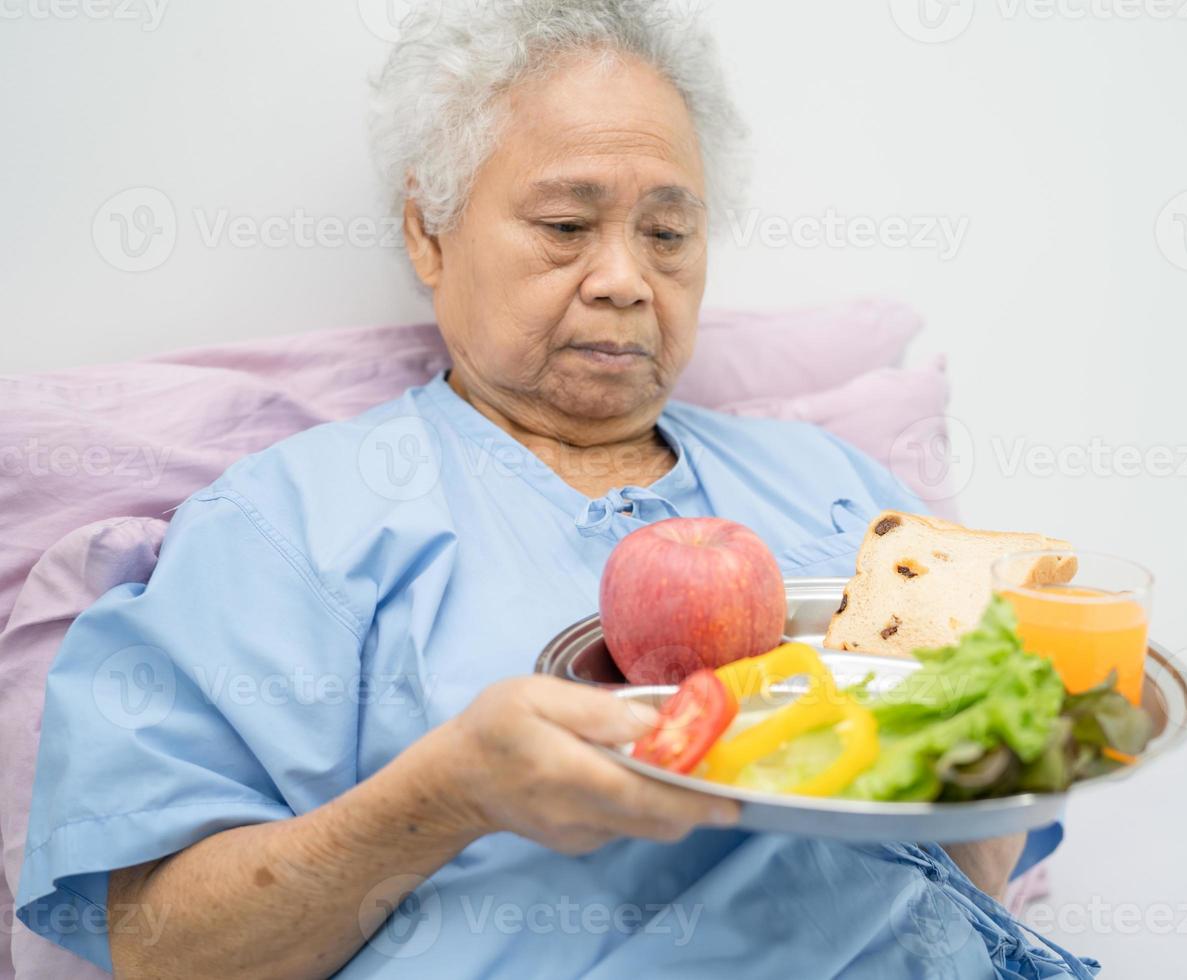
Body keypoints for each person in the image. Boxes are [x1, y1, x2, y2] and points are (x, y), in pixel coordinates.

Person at [18, 2, 1090, 975]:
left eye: (668, 233)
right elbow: (161, 946)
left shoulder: (845, 492)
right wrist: (448, 793)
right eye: (568, 226)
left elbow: (994, 812)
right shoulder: (291, 524)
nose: (626, 277)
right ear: (427, 231)